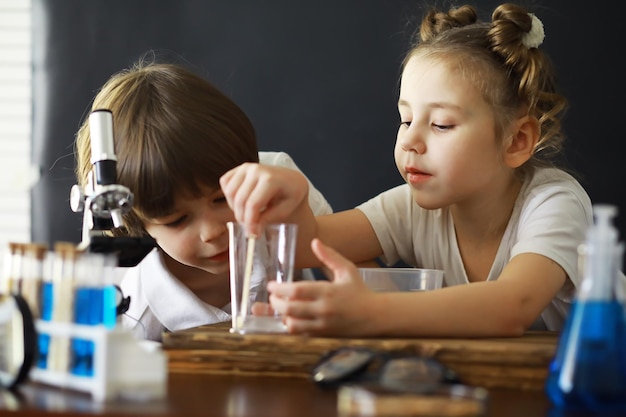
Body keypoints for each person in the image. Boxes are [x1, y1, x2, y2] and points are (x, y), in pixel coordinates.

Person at [220, 3, 599, 337]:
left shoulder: (554, 203)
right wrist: (290, 198)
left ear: (516, 141)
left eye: (441, 125)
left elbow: (512, 306)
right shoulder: (411, 209)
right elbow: (310, 245)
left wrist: (370, 311)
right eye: (405, 120)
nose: (409, 142)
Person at [74, 58, 333, 341]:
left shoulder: (278, 184)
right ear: (132, 222)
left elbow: (366, 278)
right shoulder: (135, 316)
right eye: (178, 220)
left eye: (222, 199)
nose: (213, 231)